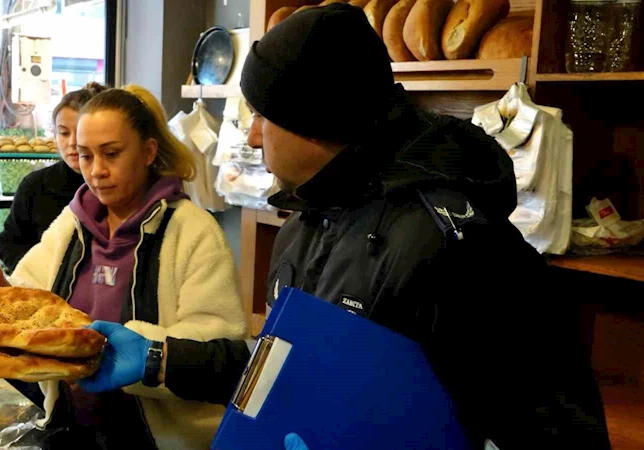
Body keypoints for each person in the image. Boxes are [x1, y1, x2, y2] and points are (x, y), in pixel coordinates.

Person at [72, 4, 611, 450]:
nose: (254, 137)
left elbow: (558, 433)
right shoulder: (308, 222)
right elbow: (280, 368)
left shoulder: (465, 249)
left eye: (263, 116)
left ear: (314, 123)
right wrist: (159, 359)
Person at [0, 85, 247, 449]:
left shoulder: (194, 231)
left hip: (153, 438)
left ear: (148, 151)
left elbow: (219, 344)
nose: (96, 171)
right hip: (70, 428)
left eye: (111, 154)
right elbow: (30, 295)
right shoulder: (72, 223)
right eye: (85, 156)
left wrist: (141, 355)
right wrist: (2, 303)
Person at [0, 82, 108, 272]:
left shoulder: (112, 184)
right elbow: (8, 243)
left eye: (80, 131)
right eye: (63, 133)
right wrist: (39, 273)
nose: (72, 142)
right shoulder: (36, 186)